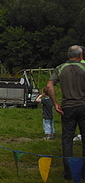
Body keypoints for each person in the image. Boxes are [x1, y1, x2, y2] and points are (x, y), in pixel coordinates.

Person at [46, 45, 85, 180]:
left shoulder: (60, 68)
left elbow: (49, 86)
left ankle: (69, 172)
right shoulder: (83, 67)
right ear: (80, 56)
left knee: (67, 140)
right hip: (83, 106)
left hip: (67, 107)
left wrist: (55, 103)